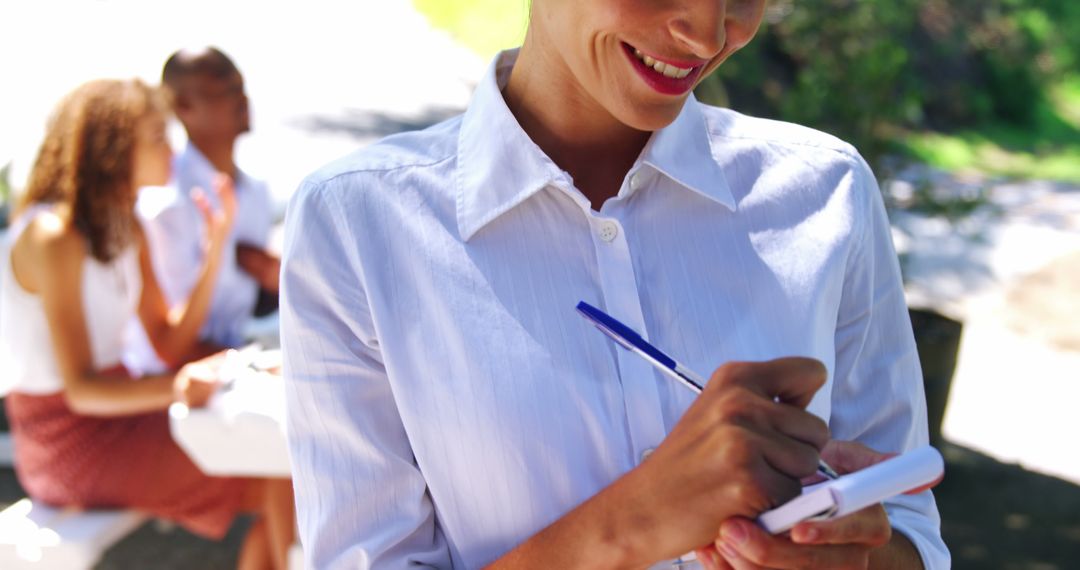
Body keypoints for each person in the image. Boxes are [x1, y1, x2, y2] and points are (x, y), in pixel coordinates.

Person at [280, 1, 949, 568]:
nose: (708, 35)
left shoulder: (828, 193)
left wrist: (852, 552)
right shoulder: (358, 224)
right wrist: (634, 521)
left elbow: (911, 528)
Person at [0, 79, 294, 570]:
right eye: (158, 136)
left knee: (285, 469)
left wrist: (215, 246)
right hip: (67, 441)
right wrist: (178, 387)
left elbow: (166, 343)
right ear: (114, 149)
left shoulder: (125, 224)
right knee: (277, 472)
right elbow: (81, 392)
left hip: (124, 416)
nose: (173, 150)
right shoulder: (55, 237)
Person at [125, 46, 278, 375]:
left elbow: (243, 308)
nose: (242, 99)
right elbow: (171, 345)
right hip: (172, 384)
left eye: (241, 86)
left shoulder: (256, 191)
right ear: (183, 106)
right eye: (225, 89)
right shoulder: (166, 202)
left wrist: (275, 278)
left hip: (230, 366)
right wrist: (252, 367)